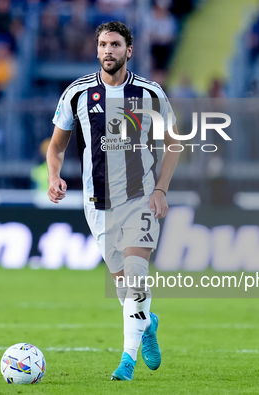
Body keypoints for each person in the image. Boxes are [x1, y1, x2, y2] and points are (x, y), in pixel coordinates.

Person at [46, 21, 179, 381]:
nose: (108, 50)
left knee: (136, 278)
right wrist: (53, 175)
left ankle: (127, 360)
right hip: (97, 204)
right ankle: (147, 322)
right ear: (97, 49)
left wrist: (161, 190)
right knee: (125, 289)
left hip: (140, 200)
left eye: (116, 44)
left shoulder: (150, 93)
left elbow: (173, 143)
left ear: (129, 51)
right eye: (103, 44)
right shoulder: (77, 93)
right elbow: (56, 147)